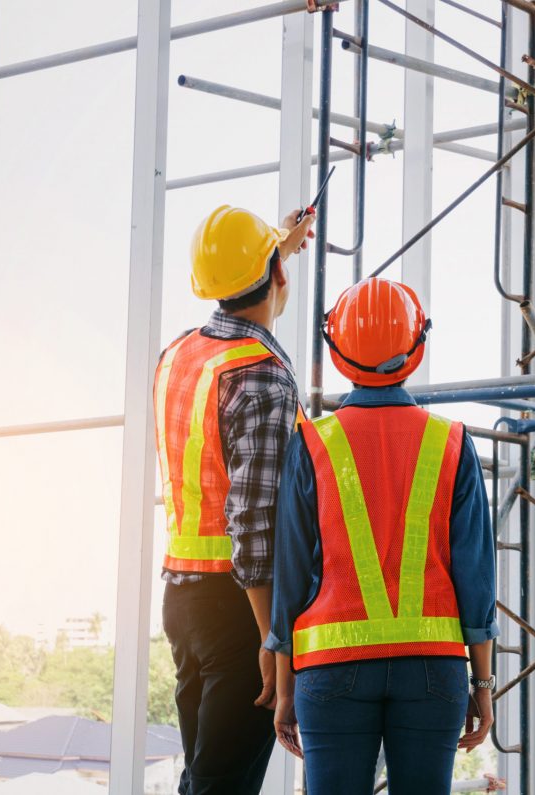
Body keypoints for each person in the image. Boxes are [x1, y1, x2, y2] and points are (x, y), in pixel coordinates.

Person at [266, 277, 499, 795]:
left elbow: (290, 573)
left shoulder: (312, 442)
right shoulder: (451, 443)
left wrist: (285, 687)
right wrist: (482, 685)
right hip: (432, 670)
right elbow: (476, 579)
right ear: (415, 347)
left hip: (330, 667)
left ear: (337, 349)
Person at [154, 204, 314, 794]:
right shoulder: (262, 375)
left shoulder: (178, 354)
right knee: (221, 785)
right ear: (277, 276)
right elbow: (253, 522)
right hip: (239, 607)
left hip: (183, 598)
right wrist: (274, 645)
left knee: (203, 776)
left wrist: (277, 250)